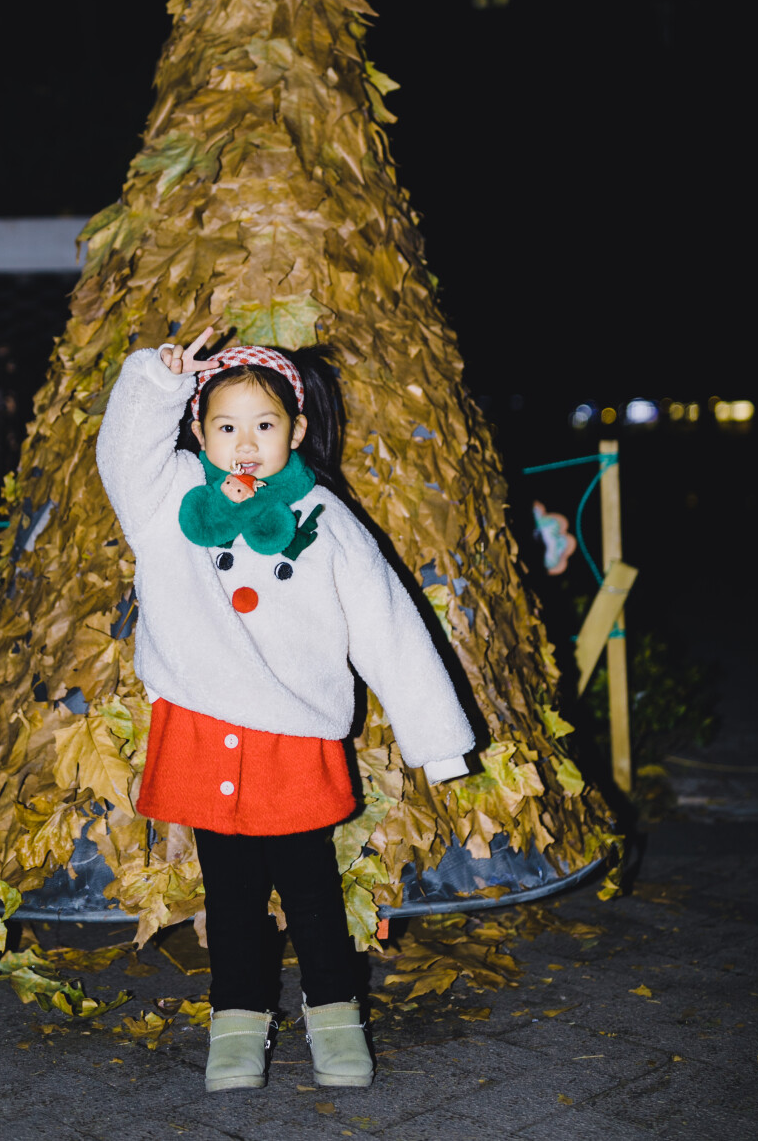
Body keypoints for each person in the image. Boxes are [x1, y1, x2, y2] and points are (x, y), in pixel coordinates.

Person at [96, 328, 475, 1092]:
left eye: (263, 425)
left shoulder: (327, 519)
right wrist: (157, 381)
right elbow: (122, 451)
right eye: (225, 426)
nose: (244, 444)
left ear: (296, 430)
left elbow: (387, 625)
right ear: (197, 431)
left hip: (293, 742)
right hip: (203, 732)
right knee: (230, 896)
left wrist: (438, 740)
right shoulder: (166, 497)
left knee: (313, 894)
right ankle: (235, 1023)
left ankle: (335, 1016)